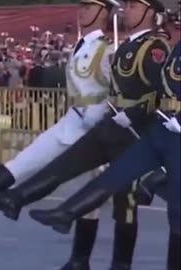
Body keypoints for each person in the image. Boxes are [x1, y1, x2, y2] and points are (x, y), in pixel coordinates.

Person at [0, 0, 170, 269]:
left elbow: (161, 91)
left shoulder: (154, 48)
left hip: (134, 131)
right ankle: (30, 202)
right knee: (68, 164)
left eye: (135, 7)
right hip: (111, 124)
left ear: (151, 13)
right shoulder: (128, 45)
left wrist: (134, 114)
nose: (128, 10)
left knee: (124, 204)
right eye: (127, 5)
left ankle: (119, 263)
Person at [29, 38, 180, 270]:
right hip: (146, 125)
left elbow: (159, 90)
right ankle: (71, 230)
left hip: (160, 129)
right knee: (108, 178)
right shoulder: (170, 48)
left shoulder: (159, 47)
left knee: (157, 209)